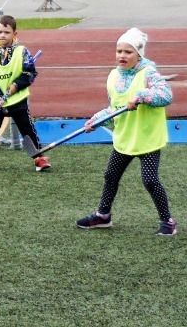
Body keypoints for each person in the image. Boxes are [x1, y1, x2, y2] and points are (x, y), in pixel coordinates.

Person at [75, 27, 176, 236]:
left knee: (149, 180)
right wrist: (96, 120)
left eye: (128, 52)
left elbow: (165, 95)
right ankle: (103, 215)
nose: (122, 56)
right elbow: (114, 107)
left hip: (147, 138)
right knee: (111, 175)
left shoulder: (148, 74)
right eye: (119, 51)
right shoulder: (113, 76)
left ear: (139, 54)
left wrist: (141, 96)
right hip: (124, 138)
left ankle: (167, 221)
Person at [0, 15, 48, 172]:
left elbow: (29, 73)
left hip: (17, 99)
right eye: (0, 32)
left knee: (27, 129)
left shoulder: (22, 52)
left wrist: (16, 85)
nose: (2, 35)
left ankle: (38, 157)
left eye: (6, 32)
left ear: (14, 34)